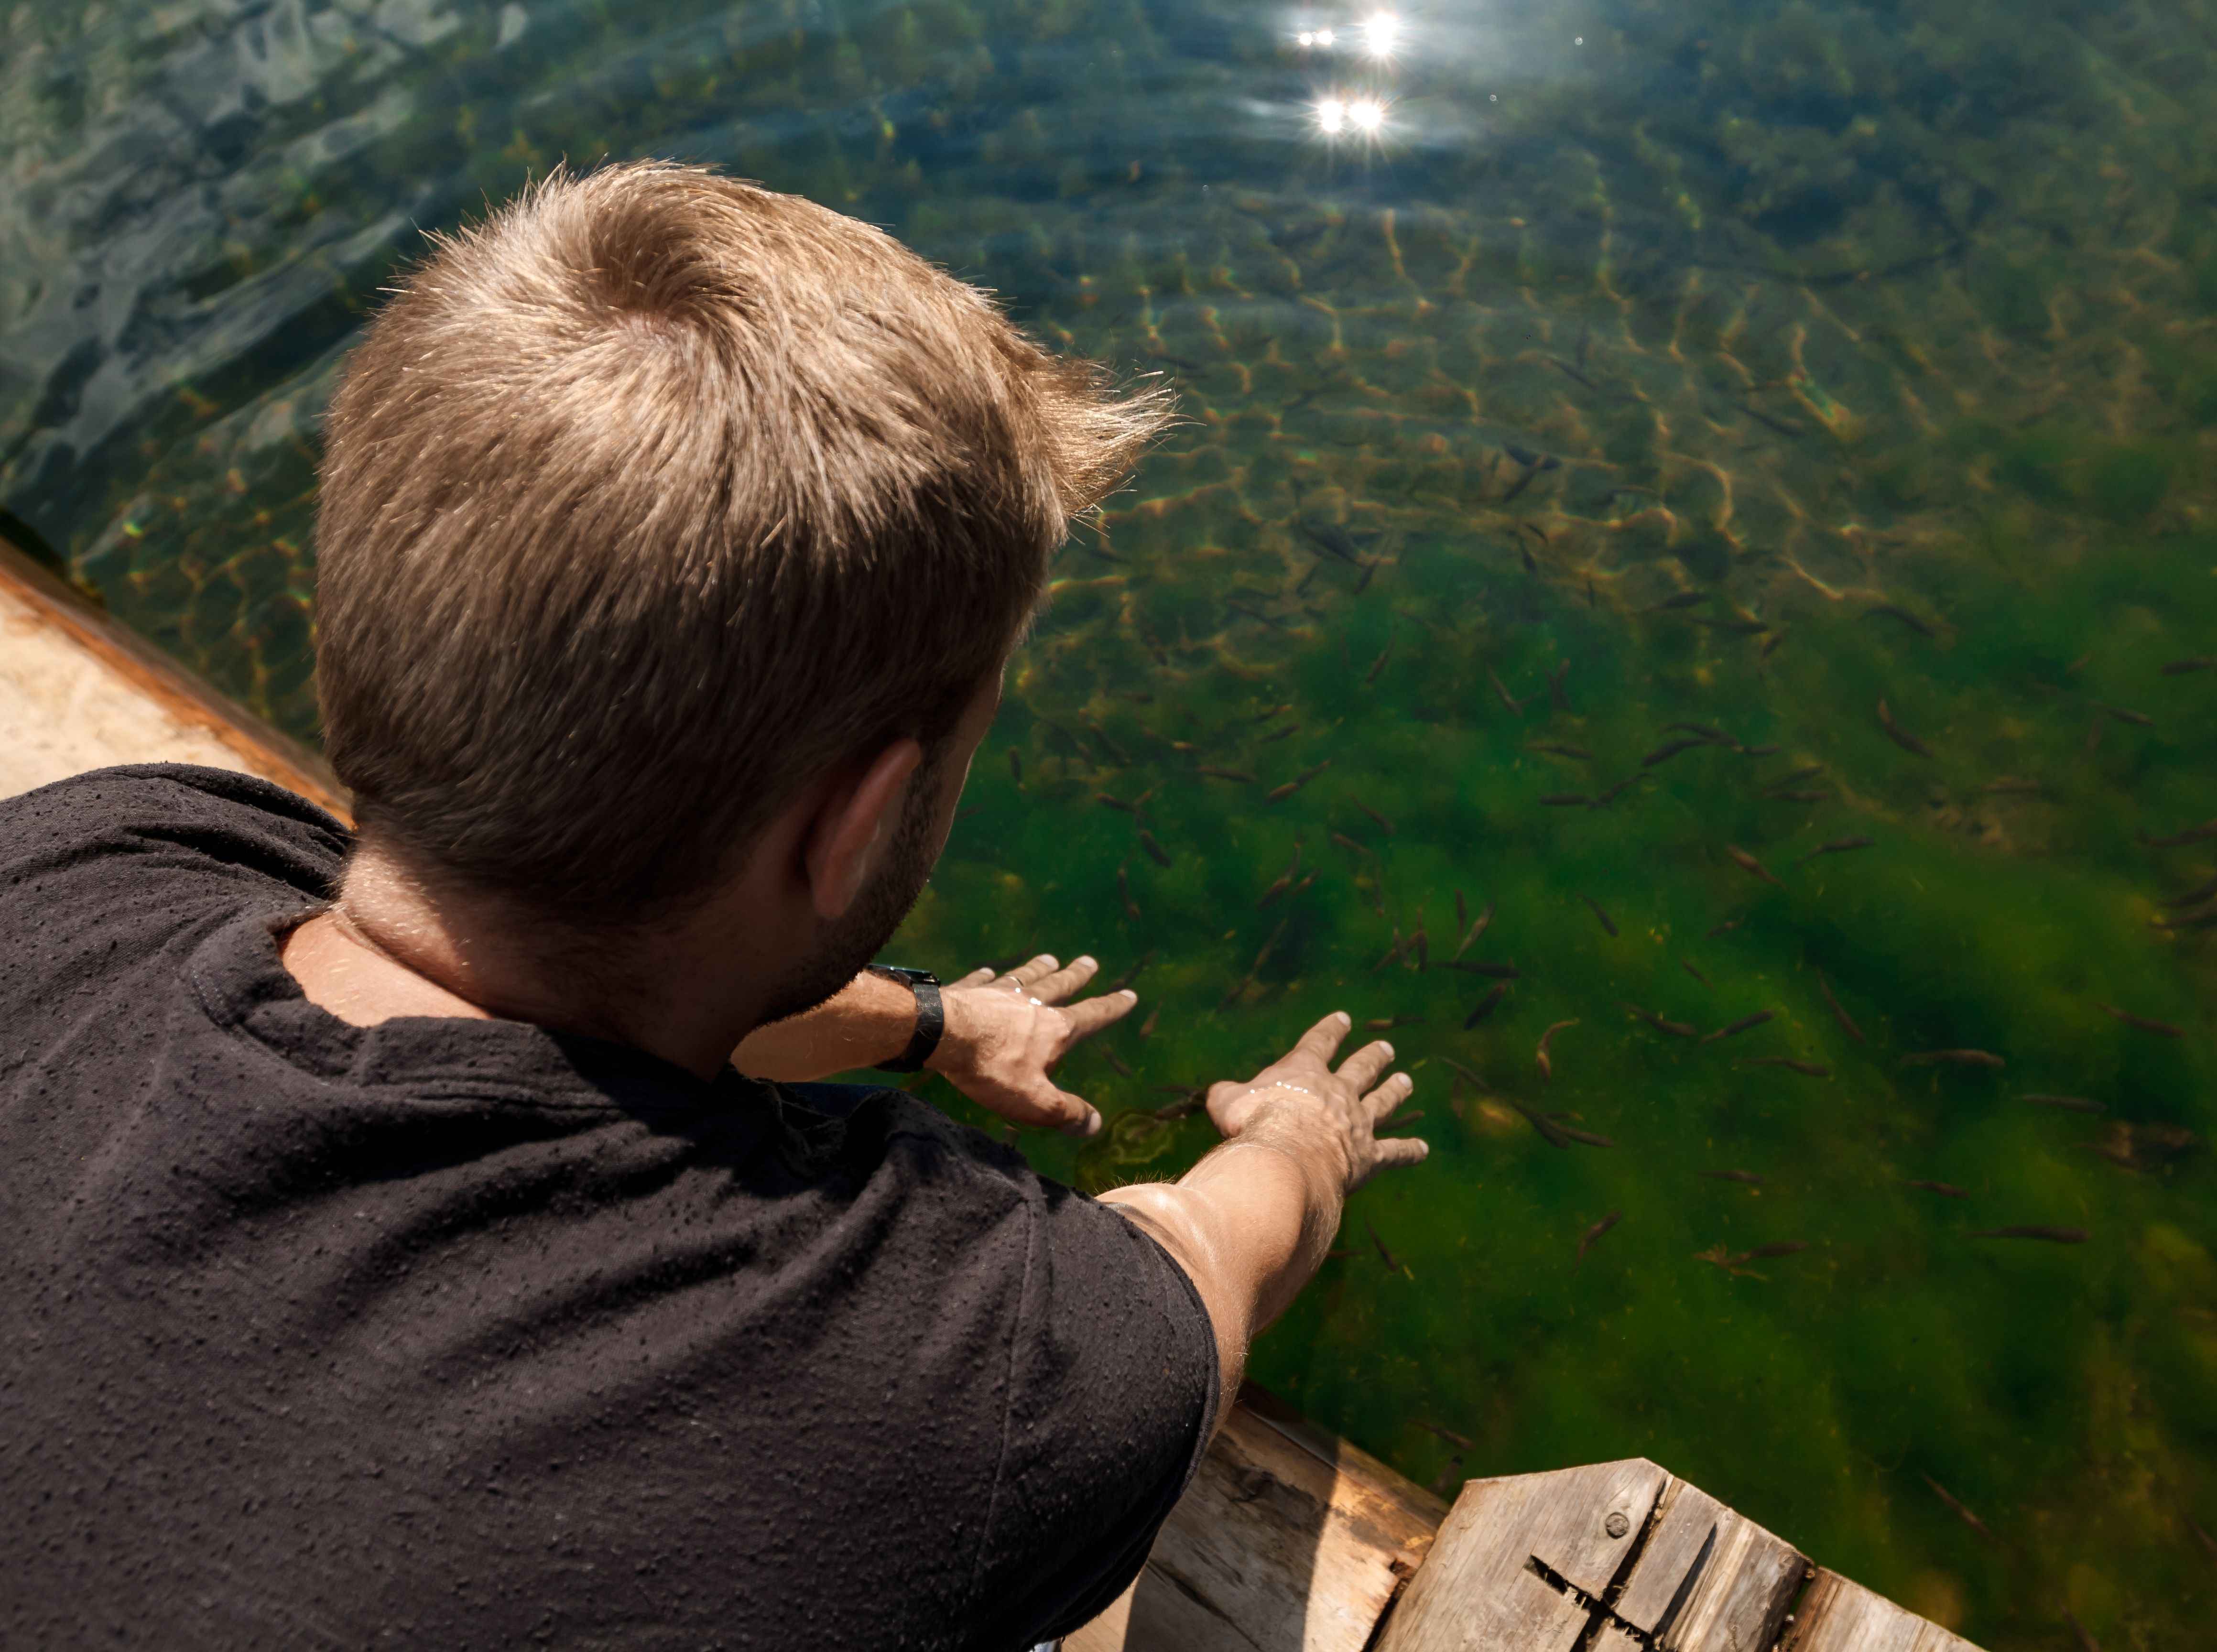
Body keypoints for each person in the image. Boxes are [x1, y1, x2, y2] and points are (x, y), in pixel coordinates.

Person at [0, 161, 1424, 1650]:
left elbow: (526, 985)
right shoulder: (946, 1371)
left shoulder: (103, 857)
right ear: (854, 823)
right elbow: (1196, 1266)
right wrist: (1297, 1140)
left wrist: (930, 1027)